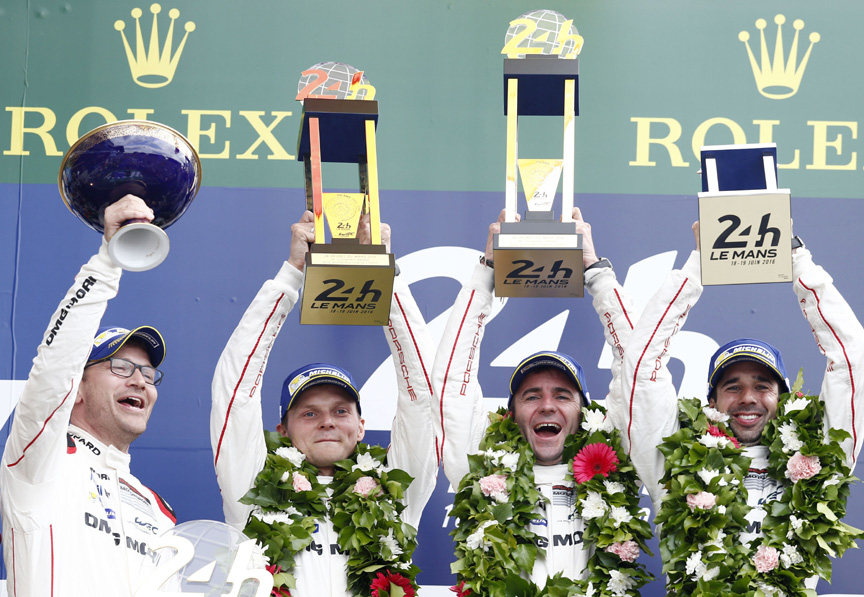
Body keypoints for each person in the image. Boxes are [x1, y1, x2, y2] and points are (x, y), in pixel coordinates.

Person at [616, 222, 864, 589]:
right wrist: (697, 267)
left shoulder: (821, 460)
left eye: (763, 385)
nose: (748, 398)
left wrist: (797, 259)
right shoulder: (672, 467)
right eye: (732, 386)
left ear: (782, 399)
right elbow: (640, 369)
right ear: (711, 402)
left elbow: (852, 359)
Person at [210, 211, 438, 596]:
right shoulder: (251, 488)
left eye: (341, 411)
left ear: (362, 427)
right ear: (282, 430)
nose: (327, 422)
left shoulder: (396, 492)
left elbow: (423, 398)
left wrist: (386, 278)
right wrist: (290, 276)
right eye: (309, 413)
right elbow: (235, 392)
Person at [433, 208, 643, 589]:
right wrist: (485, 273)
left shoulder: (618, 462)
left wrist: (596, 272)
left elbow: (639, 372)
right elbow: (450, 383)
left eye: (563, 394)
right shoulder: (479, 469)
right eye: (532, 396)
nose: (547, 405)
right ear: (510, 415)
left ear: (585, 413)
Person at [0, 196, 176, 596]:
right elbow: (54, 368)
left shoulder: (158, 509)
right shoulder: (39, 460)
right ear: (75, 389)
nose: (140, 382)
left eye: (148, 373)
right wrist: (108, 261)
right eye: (120, 367)